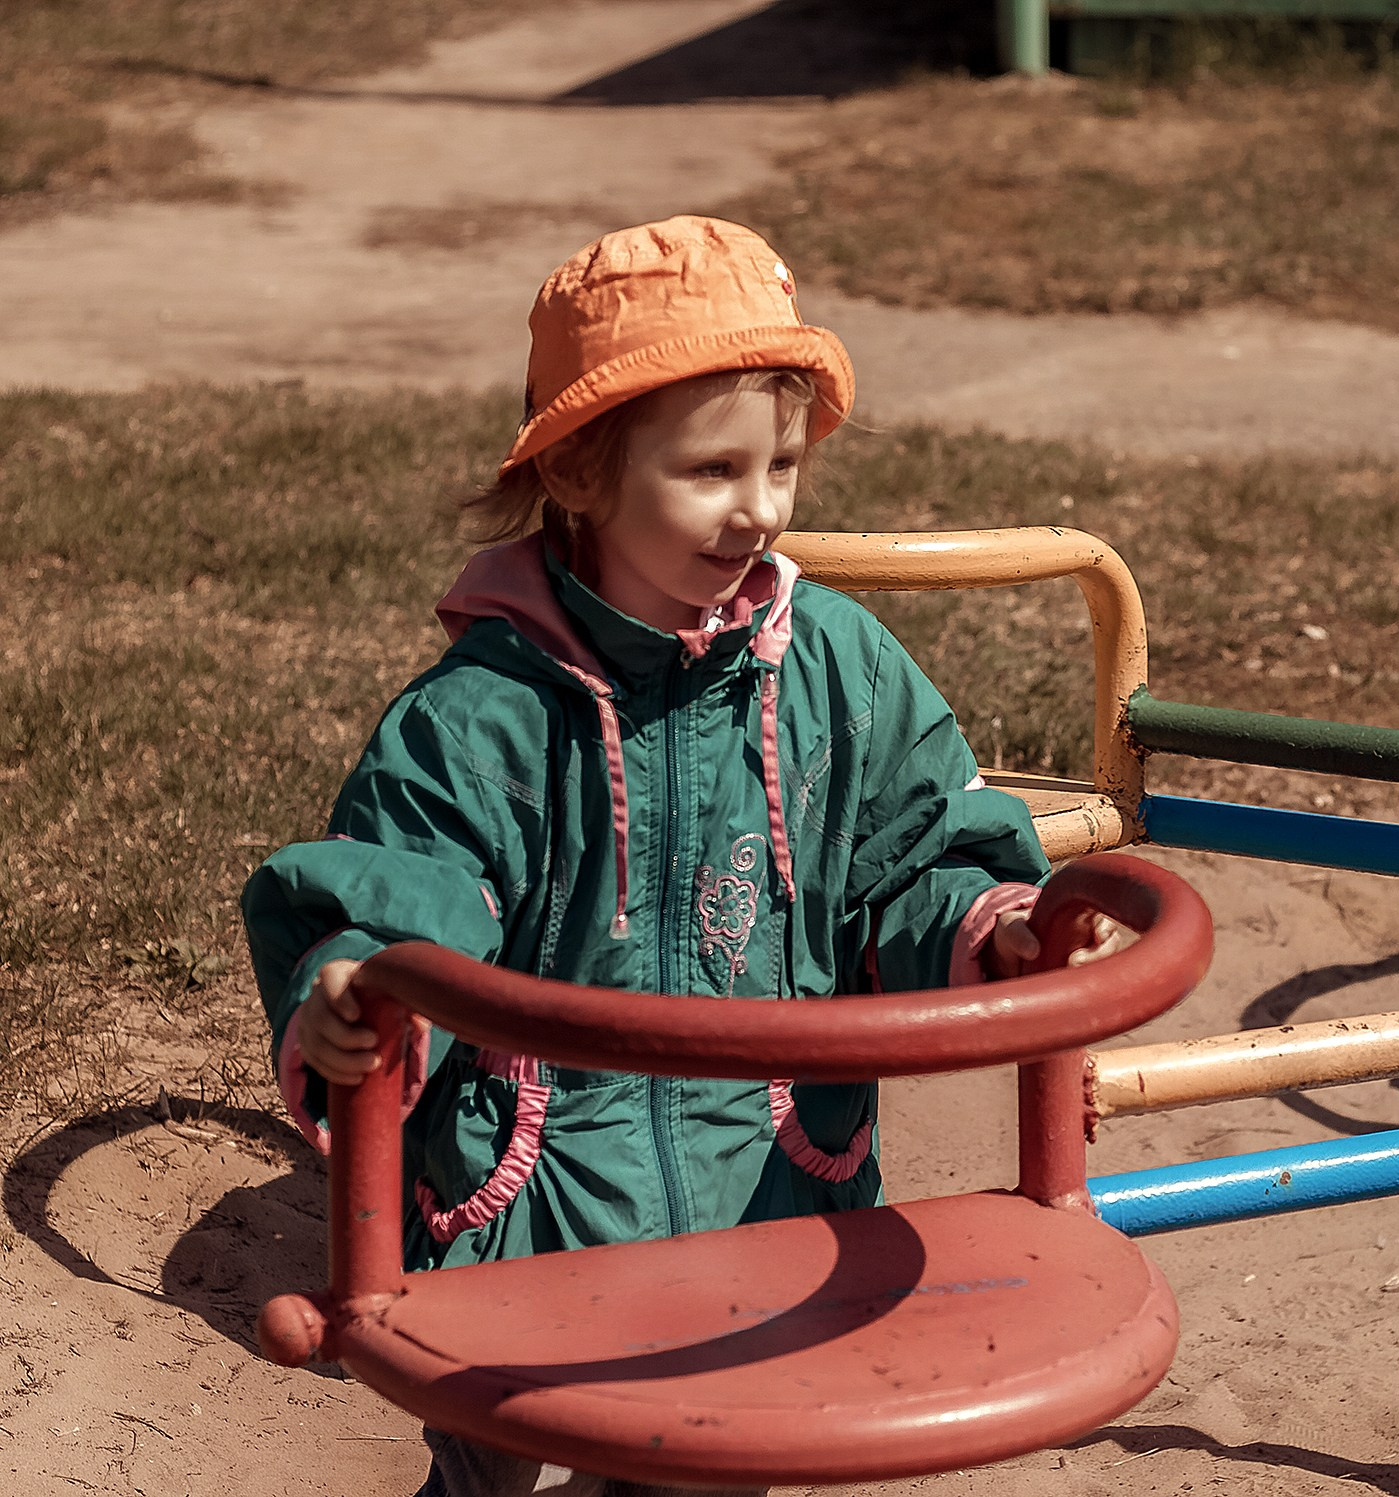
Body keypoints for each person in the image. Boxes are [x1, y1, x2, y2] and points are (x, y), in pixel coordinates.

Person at [241, 216, 1122, 1497]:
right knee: (493, 1453)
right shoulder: (487, 714)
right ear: (583, 475)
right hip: (535, 1199)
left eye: (782, 465)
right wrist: (358, 995)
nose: (758, 509)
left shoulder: (836, 670)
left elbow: (913, 853)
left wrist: (995, 926)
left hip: (764, 1173)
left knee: (718, 1458)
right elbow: (405, 884)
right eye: (711, 470)